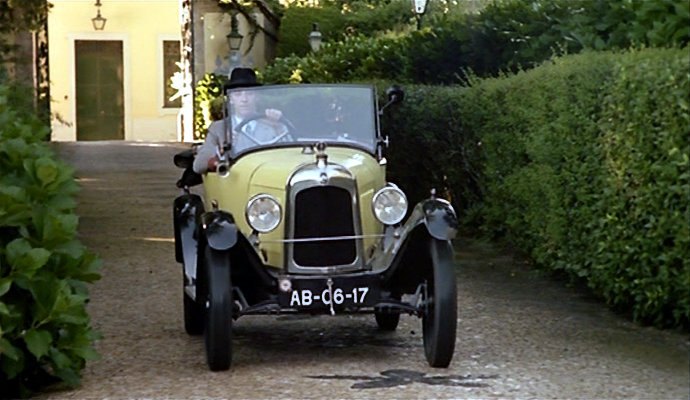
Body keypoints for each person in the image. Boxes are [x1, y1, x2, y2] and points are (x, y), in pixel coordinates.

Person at [193, 68, 286, 174]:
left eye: (249, 94)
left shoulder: (272, 124)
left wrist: (278, 127)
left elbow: (289, 158)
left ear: (257, 96)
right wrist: (222, 151)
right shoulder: (219, 129)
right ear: (231, 99)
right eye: (238, 94)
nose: (244, 99)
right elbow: (198, 165)